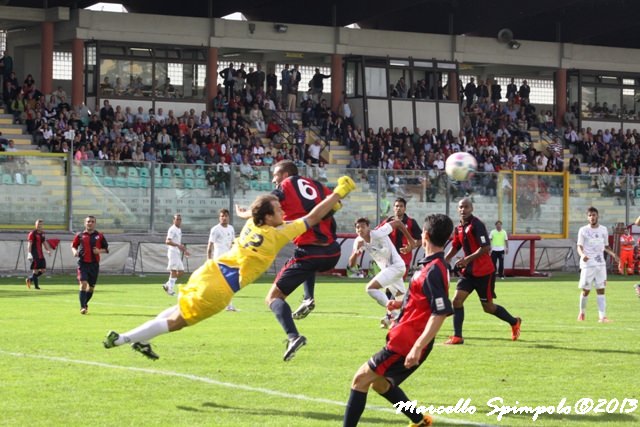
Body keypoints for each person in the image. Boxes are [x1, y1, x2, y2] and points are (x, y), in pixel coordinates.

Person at [103, 176, 356, 361]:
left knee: (178, 308)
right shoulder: (278, 235)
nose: (283, 211)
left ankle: (142, 339)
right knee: (177, 321)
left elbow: (261, 212)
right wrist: (337, 194)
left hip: (210, 270)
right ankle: (124, 338)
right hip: (221, 288)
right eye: (279, 210)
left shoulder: (252, 225)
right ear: (268, 217)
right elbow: (311, 217)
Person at [342, 214, 454, 427]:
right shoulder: (429, 265)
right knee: (380, 384)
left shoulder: (434, 270)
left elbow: (439, 312)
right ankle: (419, 420)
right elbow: (420, 300)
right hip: (404, 337)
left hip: (406, 342)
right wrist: (399, 304)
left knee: (360, 380)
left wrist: (417, 347)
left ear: (426, 235)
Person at [237, 160, 343, 357]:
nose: (273, 180)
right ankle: (308, 297)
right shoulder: (318, 185)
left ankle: (293, 336)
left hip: (310, 251)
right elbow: (336, 204)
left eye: (276, 175)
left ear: (285, 175)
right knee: (306, 266)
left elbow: (263, 207)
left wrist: (241, 212)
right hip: (333, 251)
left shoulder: (285, 187)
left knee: (272, 298)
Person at [444, 198, 521, 344]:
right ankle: (457, 336)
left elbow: (485, 247)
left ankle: (514, 321)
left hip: (484, 272)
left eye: (466, 207)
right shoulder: (459, 228)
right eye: (461, 207)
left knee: (488, 307)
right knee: (457, 300)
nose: (463, 210)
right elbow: (456, 246)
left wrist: (467, 259)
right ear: (457, 209)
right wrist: (444, 259)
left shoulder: (477, 225)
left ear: (471, 209)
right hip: (468, 273)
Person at [348, 217, 416, 328]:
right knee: (401, 298)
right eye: (357, 227)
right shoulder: (358, 242)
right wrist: (356, 252)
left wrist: (411, 241)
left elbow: (398, 223)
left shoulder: (378, 233)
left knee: (370, 288)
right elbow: (351, 264)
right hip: (389, 271)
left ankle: (391, 311)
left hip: (396, 266)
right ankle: (402, 320)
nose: (360, 229)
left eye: (363, 227)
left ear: (368, 228)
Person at [577, 207, 618, 322]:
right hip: (588, 264)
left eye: (594, 215)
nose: (592, 217)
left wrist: (614, 255)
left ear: (597, 216)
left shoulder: (603, 230)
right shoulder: (583, 230)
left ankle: (602, 317)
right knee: (586, 290)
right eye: (590, 215)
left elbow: (605, 246)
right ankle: (582, 313)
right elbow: (579, 246)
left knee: (601, 289)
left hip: (600, 264)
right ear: (587, 217)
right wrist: (582, 255)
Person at [71, 216, 109, 315]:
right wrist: (74, 251)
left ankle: (85, 303)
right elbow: (74, 245)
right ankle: (82, 307)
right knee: (83, 284)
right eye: (88, 221)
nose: (90, 223)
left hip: (94, 265)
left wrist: (99, 251)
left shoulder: (100, 236)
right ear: (85, 223)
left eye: (92, 222)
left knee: (91, 288)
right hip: (83, 263)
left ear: (95, 223)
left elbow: (106, 249)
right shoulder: (80, 235)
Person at [378, 197, 422, 278]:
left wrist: (411, 246)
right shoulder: (387, 222)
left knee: (398, 280)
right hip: (389, 257)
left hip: (404, 258)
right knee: (390, 283)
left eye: (401, 206)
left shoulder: (411, 222)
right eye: (396, 206)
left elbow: (421, 240)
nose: (398, 208)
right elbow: (376, 233)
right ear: (393, 208)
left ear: (405, 208)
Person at [207, 208, 237, 311]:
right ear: (219, 218)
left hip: (229, 259)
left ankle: (229, 305)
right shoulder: (215, 229)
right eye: (222, 216)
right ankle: (216, 302)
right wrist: (209, 259)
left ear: (228, 217)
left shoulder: (231, 229)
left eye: (225, 216)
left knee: (229, 282)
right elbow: (210, 245)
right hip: (219, 259)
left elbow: (233, 243)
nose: (224, 218)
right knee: (222, 282)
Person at [163, 214, 190, 296]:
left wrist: (184, 250)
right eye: (177, 219)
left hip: (177, 253)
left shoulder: (179, 230)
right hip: (172, 252)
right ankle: (170, 289)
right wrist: (178, 246)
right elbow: (167, 241)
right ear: (173, 220)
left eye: (180, 219)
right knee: (173, 271)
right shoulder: (172, 229)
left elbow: (178, 243)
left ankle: (167, 284)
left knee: (181, 272)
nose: (178, 221)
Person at [25, 219, 52, 290]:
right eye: (38, 224)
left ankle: (30, 279)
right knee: (35, 270)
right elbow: (29, 244)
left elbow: (44, 243)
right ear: (35, 225)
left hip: (41, 254)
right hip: (34, 254)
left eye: (41, 224)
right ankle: (36, 287)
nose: (40, 226)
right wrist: (29, 253)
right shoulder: (32, 233)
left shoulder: (42, 233)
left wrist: (48, 250)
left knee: (43, 270)